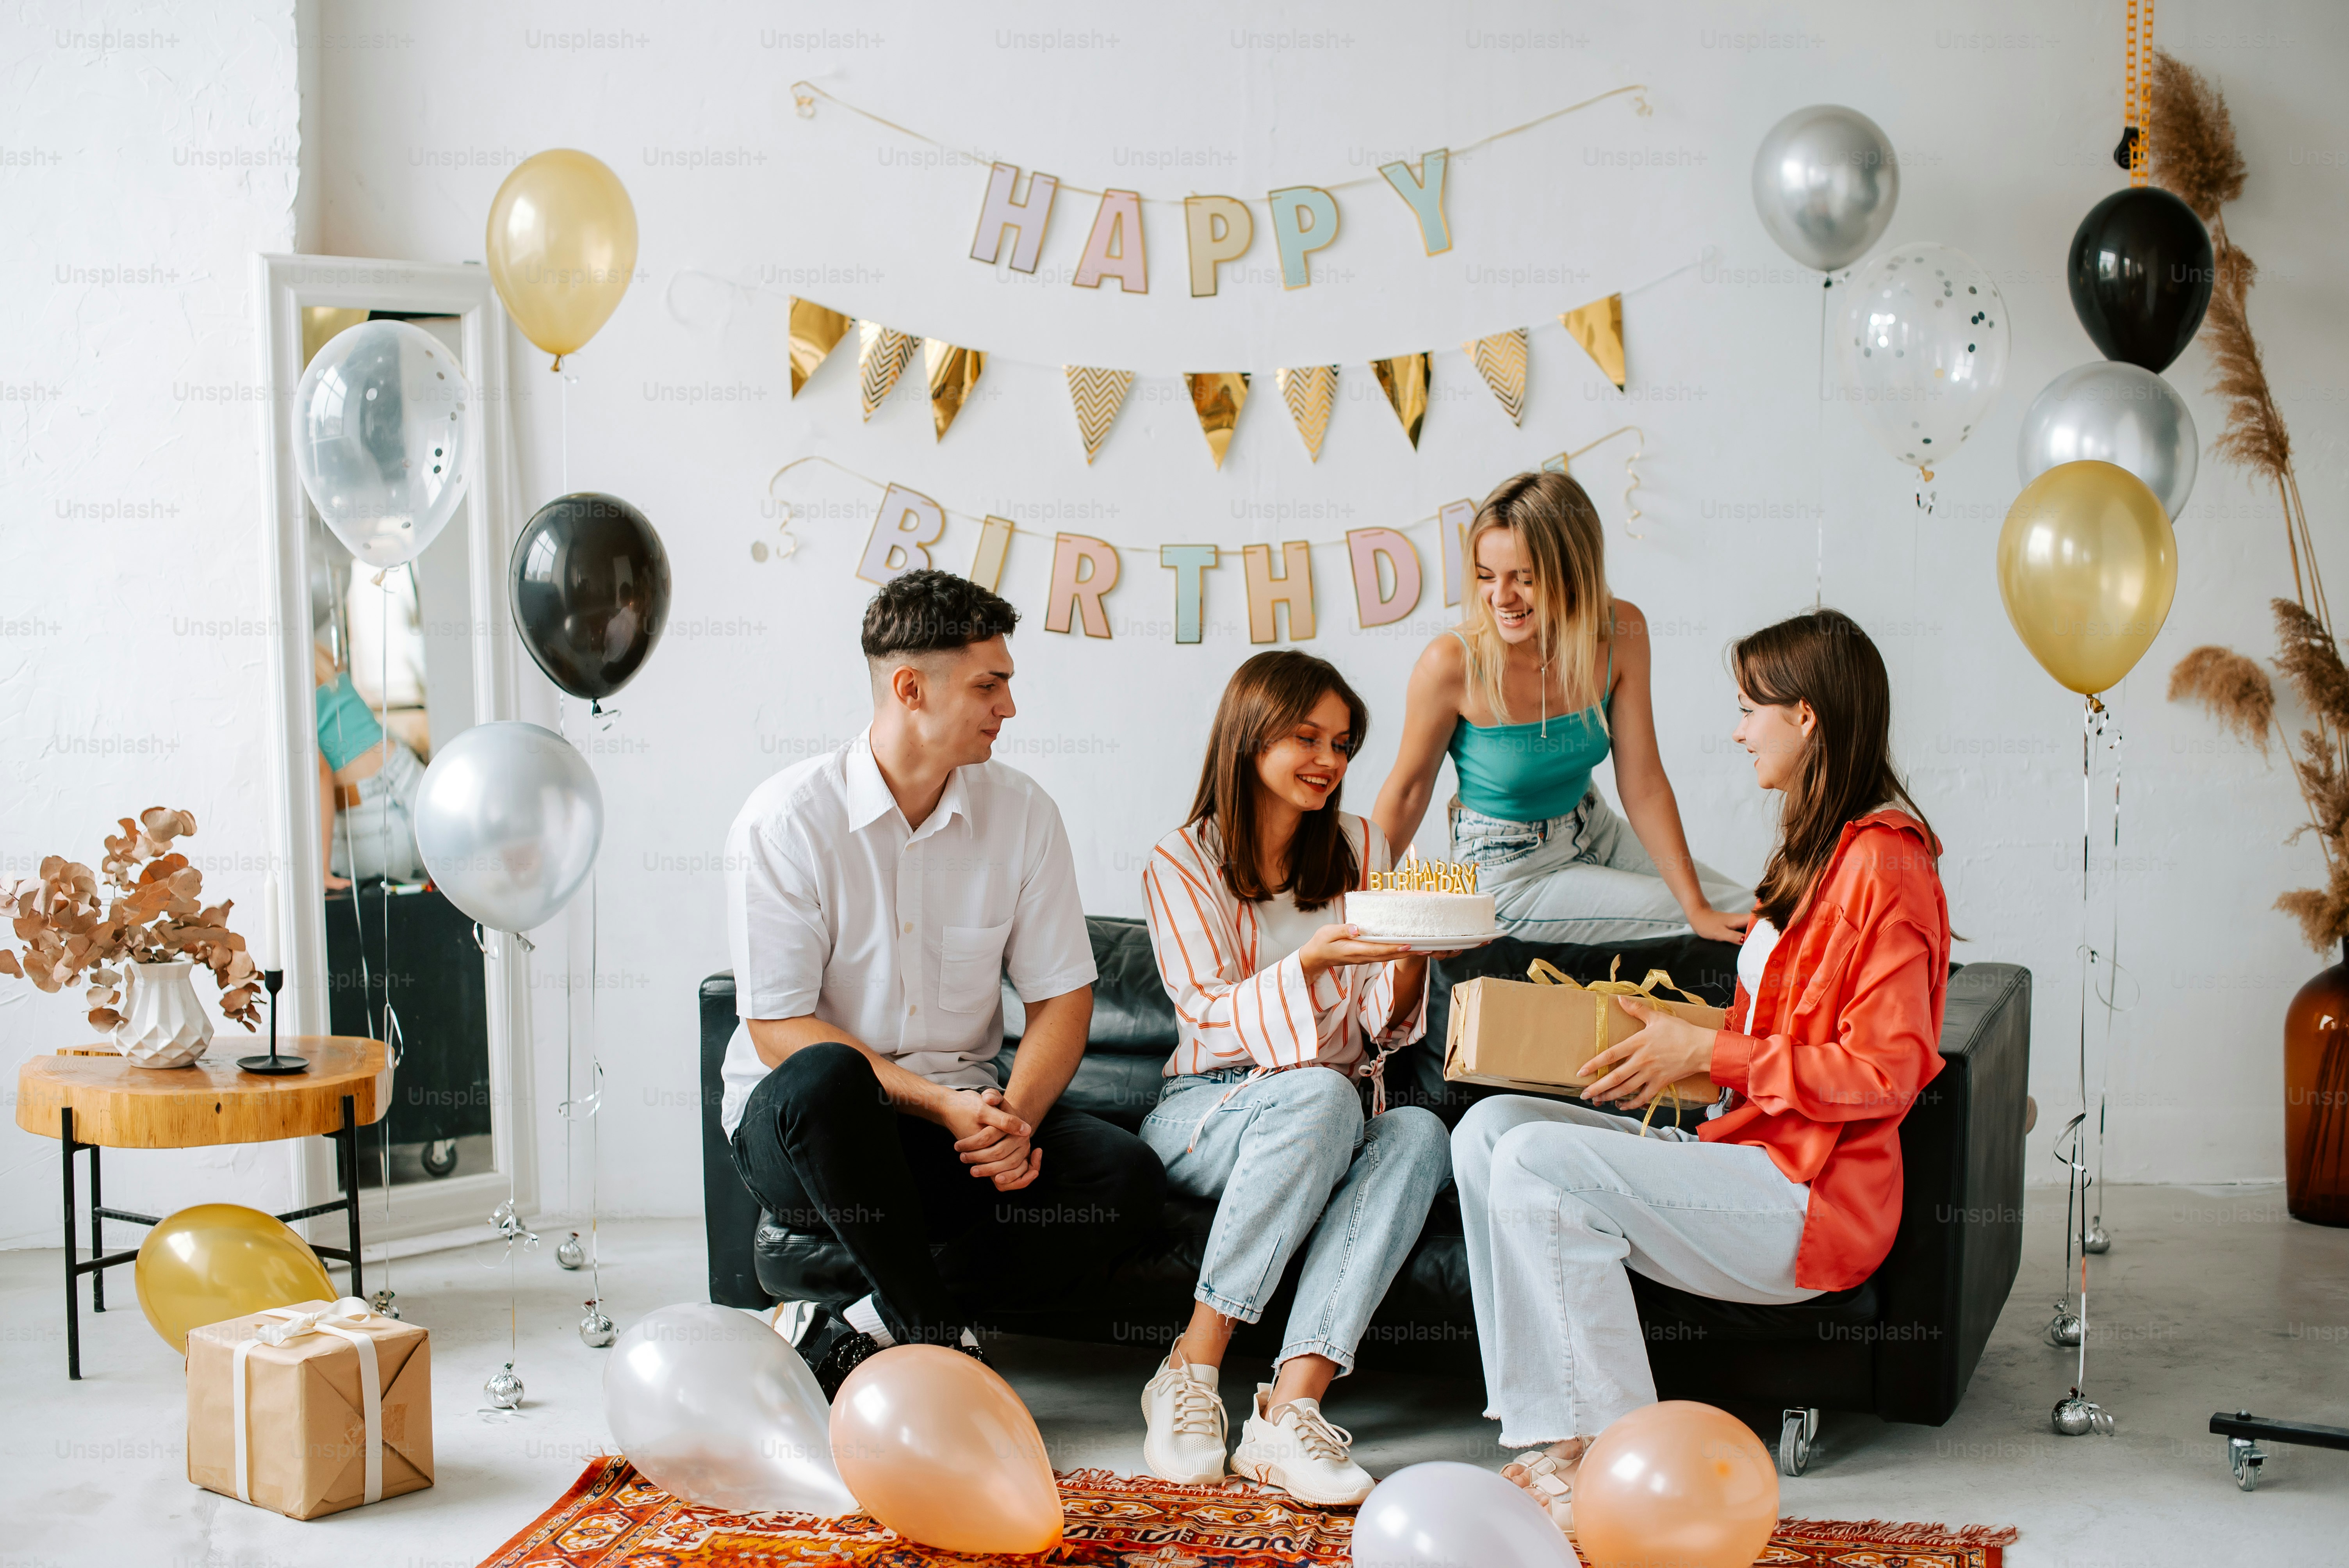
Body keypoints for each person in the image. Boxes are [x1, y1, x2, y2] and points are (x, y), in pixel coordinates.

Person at [1449, 608, 1952, 1529]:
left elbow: (1886, 1071)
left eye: (1749, 707)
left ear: (1806, 717)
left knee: (1531, 1164)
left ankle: (1620, 1454)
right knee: (1490, 1131)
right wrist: (1676, 1030)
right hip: (1743, 1153)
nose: (1736, 729)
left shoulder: (1887, 863)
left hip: (1812, 1200)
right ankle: (1552, 1438)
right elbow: (1786, 1020)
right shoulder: (1812, 850)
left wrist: (1710, 1051)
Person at [720, 569, 1164, 1397]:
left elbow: (1062, 999)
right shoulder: (785, 822)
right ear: (909, 687)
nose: (1009, 707)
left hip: (951, 1129)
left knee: (1122, 1176)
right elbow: (779, 1029)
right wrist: (939, 1106)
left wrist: (1015, 1119)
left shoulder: (1024, 813)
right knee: (828, 1077)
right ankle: (942, 1348)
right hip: (805, 1135)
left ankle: (863, 1325)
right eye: (988, 685)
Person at [1136, 650, 1452, 1506]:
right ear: (1248, 738)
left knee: (1420, 1130)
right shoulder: (1181, 862)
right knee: (1318, 1090)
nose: (1329, 761)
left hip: (1335, 1106)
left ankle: (1289, 1410)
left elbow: (1383, 1028)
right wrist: (1308, 964)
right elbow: (1204, 1012)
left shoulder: (1361, 846)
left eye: (1343, 743)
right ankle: (1189, 1369)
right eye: (1306, 737)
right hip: (1205, 1108)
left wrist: (1415, 950)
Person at [1374, 470, 1748, 945]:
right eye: (1486, 577)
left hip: (1595, 828)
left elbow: (1644, 782)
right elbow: (1407, 791)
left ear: (1573, 572)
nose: (1501, 597)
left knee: (1754, 908)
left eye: (1525, 579)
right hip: (1509, 872)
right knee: (1740, 926)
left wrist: (1697, 906)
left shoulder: (1621, 630)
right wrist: (1353, 902)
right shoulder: (1449, 664)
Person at [314, 640, 424, 891]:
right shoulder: (311, 650)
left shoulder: (274, 671)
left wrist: (320, 870)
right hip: (407, 775)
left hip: (368, 811)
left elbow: (320, 772)